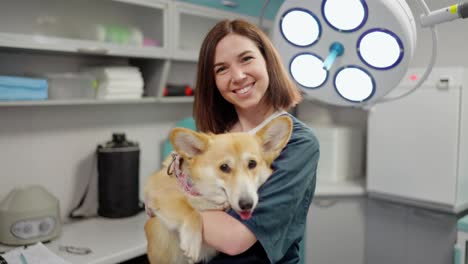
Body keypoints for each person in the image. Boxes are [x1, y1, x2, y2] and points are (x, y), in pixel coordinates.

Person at [192, 19, 320, 264]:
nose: (238, 76)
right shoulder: (216, 135)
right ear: (213, 82)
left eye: (246, 59)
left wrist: (170, 204)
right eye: (221, 69)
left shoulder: (298, 143)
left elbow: (234, 239)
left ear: (267, 61)